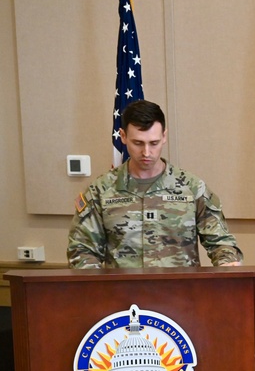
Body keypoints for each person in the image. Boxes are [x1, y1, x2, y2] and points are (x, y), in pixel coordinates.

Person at [67, 99, 243, 268]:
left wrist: (226, 262)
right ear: (123, 136)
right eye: (138, 143)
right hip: (122, 295)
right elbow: (82, 249)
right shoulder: (101, 191)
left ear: (164, 136)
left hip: (181, 294)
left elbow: (221, 242)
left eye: (154, 143)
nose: (146, 152)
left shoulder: (191, 188)